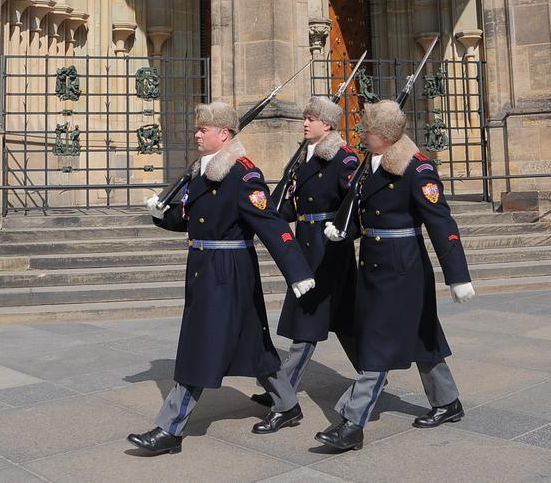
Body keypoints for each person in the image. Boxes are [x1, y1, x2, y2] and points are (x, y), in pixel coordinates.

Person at [127, 101, 317, 456]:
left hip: (228, 271)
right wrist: (160, 214)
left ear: (224, 134)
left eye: (205, 129)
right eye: (198, 128)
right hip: (204, 267)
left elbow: (271, 224)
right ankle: (287, 405)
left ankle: (169, 429)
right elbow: (187, 218)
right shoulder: (203, 169)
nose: (197, 134)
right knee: (254, 347)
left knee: (199, 347)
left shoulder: (242, 174)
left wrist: (298, 271)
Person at [316, 100, 476, 452]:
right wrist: (347, 230)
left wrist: (457, 275)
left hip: (402, 267)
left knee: (377, 343)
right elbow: (365, 210)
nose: (361, 134)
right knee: (422, 337)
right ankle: (447, 402)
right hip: (373, 262)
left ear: (384, 135)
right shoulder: (369, 165)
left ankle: (352, 423)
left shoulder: (417, 169)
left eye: (367, 130)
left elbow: (441, 222)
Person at [247, 96, 361, 412]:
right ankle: (372, 373)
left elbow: (355, 204)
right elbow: (289, 205)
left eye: (311, 118)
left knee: (307, 321)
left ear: (327, 124)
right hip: (306, 243)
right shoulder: (302, 158)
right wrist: (263, 216)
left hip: (329, 250)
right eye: (305, 117)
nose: (305, 122)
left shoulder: (344, 158)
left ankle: (282, 394)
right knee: (345, 322)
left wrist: (344, 231)